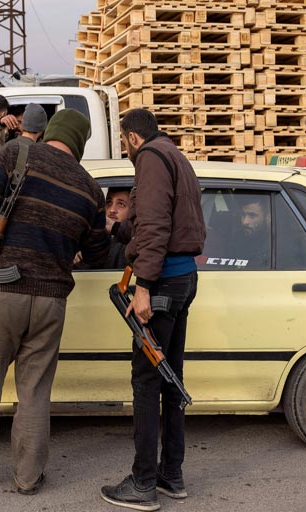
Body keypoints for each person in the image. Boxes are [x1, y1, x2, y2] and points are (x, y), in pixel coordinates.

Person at [0, 109, 110, 494]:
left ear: (50, 132)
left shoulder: (16, 153)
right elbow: (98, 252)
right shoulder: (90, 190)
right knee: (35, 393)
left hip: (2, 292)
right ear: (80, 143)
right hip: (51, 303)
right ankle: (28, 478)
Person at [101, 109, 205, 511]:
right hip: (183, 278)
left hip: (161, 284)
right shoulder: (175, 155)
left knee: (146, 381)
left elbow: (157, 226)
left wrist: (142, 286)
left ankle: (143, 483)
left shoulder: (149, 158)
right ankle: (170, 475)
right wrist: (117, 230)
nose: (125, 150)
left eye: (123, 142)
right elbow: (156, 223)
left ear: (131, 137)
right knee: (169, 376)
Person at [230, 194, 271, 268]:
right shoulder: (238, 239)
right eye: (243, 215)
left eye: (252, 216)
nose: (245, 222)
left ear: (267, 217)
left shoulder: (274, 246)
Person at [104, 187, 132, 269]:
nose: (112, 210)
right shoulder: (95, 237)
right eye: (109, 202)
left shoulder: (131, 243)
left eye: (121, 204)